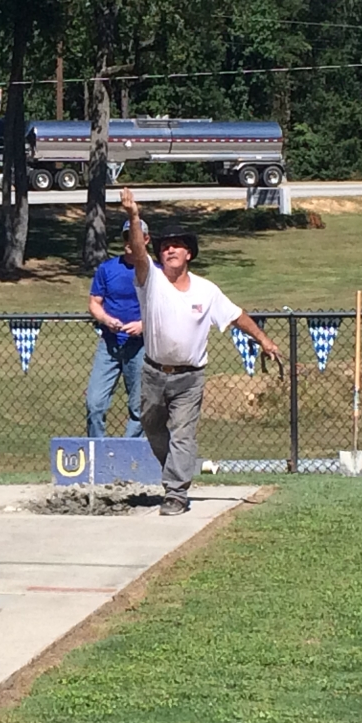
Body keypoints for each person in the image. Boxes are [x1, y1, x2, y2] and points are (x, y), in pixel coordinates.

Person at [120, 188, 280, 516]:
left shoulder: (207, 291)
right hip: (153, 372)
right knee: (152, 427)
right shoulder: (150, 281)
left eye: (177, 246)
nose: (170, 250)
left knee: (182, 432)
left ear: (189, 253)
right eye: (165, 246)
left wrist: (263, 339)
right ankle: (175, 474)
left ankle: (176, 493)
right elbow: (138, 252)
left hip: (189, 377)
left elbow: (236, 316)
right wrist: (134, 216)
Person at [85, 219, 150, 438]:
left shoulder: (155, 271)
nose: (130, 242)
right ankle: (98, 456)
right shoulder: (107, 269)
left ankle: (128, 458)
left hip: (141, 346)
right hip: (109, 345)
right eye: (126, 237)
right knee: (95, 403)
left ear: (146, 240)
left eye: (135, 236)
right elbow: (94, 303)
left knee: (139, 409)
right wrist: (106, 319)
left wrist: (143, 325)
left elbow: (165, 309)